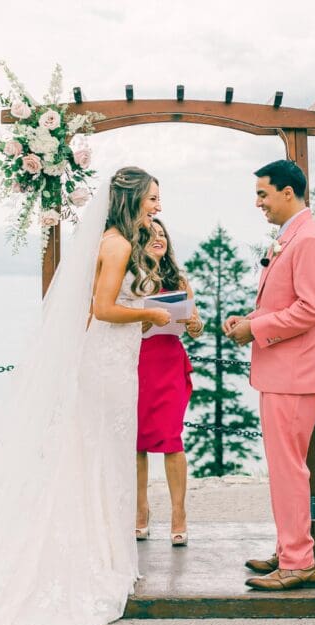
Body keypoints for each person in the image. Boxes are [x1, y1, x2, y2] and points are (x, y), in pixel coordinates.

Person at [0, 166, 170, 625]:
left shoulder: (113, 240)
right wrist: (150, 313)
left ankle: (104, 548)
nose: (157, 207)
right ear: (131, 200)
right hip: (109, 365)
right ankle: (101, 556)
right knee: (103, 455)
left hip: (109, 360)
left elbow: (90, 311)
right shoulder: (119, 245)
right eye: (151, 199)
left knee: (100, 455)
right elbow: (103, 308)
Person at [222, 159, 315, 591]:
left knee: (288, 470)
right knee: (284, 468)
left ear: (288, 193)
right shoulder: (292, 238)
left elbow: (312, 309)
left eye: (263, 194)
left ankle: (298, 562)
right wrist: (248, 319)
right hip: (282, 373)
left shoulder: (308, 240)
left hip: (295, 375)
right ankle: (290, 547)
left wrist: (258, 329)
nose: (258, 203)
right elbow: (285, 301)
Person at [135, 217, 202, 547]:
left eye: (162, 234)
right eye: (151, 235)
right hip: (138, 364)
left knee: (171, 439)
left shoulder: (179, 278)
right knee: (137, 441)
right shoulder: (132, 278)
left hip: (170, 364)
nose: (158, 238)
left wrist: (191, 321)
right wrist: (145, 321)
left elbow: (197, 327)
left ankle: (179, 514)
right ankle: (140, 510)